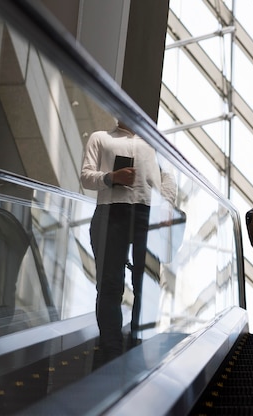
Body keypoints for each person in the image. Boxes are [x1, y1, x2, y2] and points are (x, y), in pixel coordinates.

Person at [80, 120, 176, 361]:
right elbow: (86, 176)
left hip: (148, 213)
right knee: (110, 283)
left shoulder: (155, 143)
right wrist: (112, 177)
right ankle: (111, 348)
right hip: (110, 212)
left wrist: (166, 207)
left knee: (147, 284)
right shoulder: (101, 137)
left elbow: (168, 178)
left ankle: (138, 342)